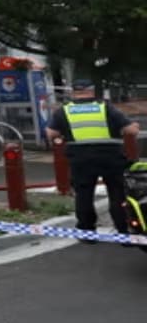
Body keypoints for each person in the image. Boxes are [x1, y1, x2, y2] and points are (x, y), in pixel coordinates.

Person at [46, 81, 141, 242]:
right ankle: (123, 231)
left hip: (81, 159)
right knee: (117, 194)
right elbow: (131, 130)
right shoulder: (105, 107)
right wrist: (135, 126)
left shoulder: (64, 110)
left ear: (74, 92)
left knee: (83, 195)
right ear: (91, 91)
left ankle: (86, 232)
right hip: (110, 158)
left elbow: (51, 134)